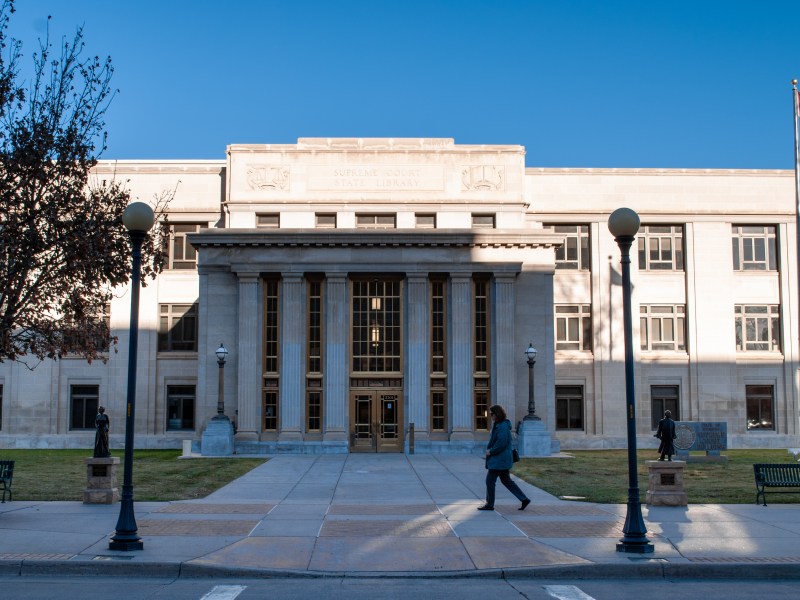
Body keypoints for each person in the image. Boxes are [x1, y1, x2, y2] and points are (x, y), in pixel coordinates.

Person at [478, 404, 531, 511]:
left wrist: (491, 452)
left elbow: (501, 443)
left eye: (492, 414)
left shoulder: (502, 426)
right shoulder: (499, 425)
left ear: (497, 414)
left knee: (490, 480)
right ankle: (524, 499)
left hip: (499, 459)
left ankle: (490, 504)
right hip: (502, 459)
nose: (490, 416)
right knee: (506, 480)